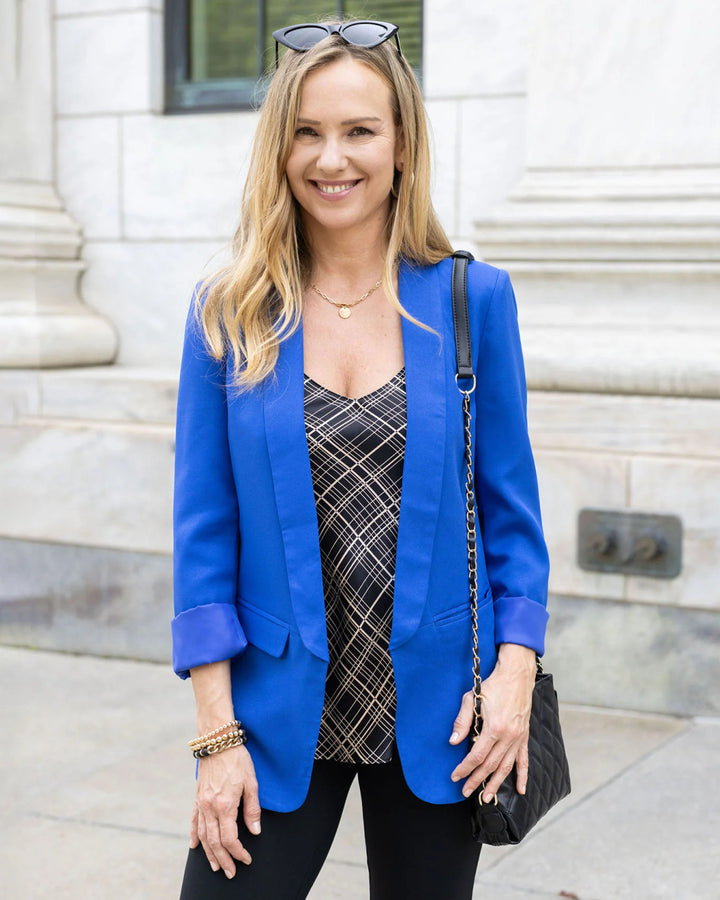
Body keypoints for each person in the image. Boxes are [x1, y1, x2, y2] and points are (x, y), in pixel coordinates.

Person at [172, 18, 549, 900]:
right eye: (306, 131)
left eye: (358, 130)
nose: (330, 158)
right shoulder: (228, 315)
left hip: (445, 718)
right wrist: (216, 739)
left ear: (403, 145)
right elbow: (204, 545)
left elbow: (511, 516)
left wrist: (516, 678)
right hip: (274, 719)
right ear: (279, 148)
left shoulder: (471, 300)